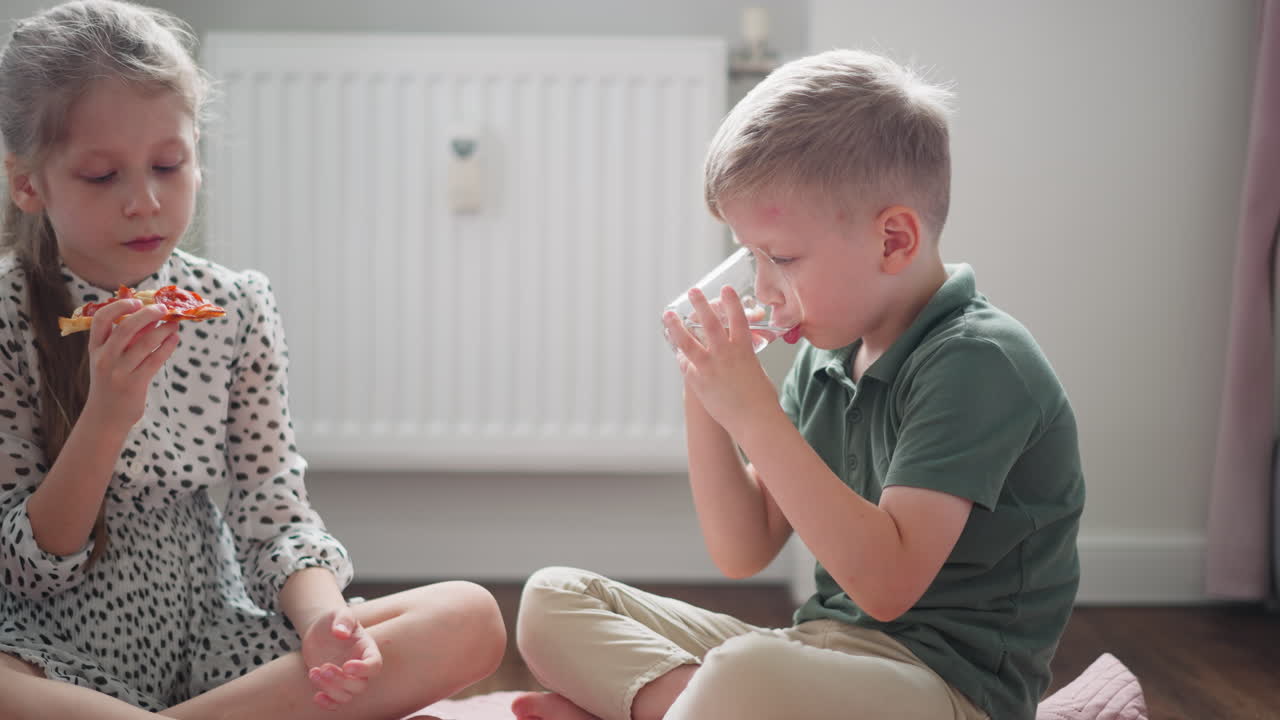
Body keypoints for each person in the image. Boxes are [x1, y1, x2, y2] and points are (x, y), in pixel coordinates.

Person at [513, 49, 1084, 720]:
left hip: (947, 690)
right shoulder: (828, 357)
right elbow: (742, 547)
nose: (760, 289)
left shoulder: (979, 361)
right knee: (552, 600)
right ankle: (685, 711)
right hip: (818, 654)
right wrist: (706, 391)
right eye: (750, 257)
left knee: (744, 674)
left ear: (893, 240)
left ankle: (668, 708)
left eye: (780, 258)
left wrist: (754, 415)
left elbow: (886, 586)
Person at [0, 2, 505, 718]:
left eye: (168, 165)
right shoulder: (9, 315)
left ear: (196, 156)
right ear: (29, 184)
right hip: (54, 649)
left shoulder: (235, 306)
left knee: (470, 617)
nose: (144, 202)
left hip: (216, 642)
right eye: (101, 176)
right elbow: (26, 565)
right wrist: (106, 417)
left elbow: (274, 512)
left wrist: (324, 622)